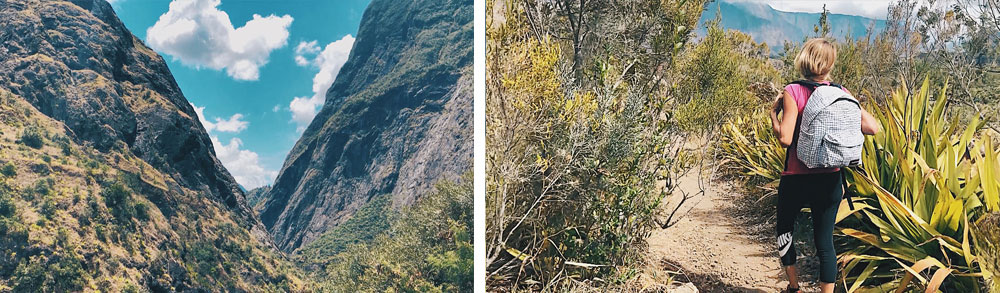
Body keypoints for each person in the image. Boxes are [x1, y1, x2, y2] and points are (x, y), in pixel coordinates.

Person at [769, 38, 881, 293]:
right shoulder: (841, 92)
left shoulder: (793, 91)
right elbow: (872, 127)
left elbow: (786, 139)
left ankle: (794, 287)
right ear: (830, 63)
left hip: (796, 178)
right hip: (830, 180)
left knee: (785, 230)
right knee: (825, 243)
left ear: (804, 59)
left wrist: (773, 118)